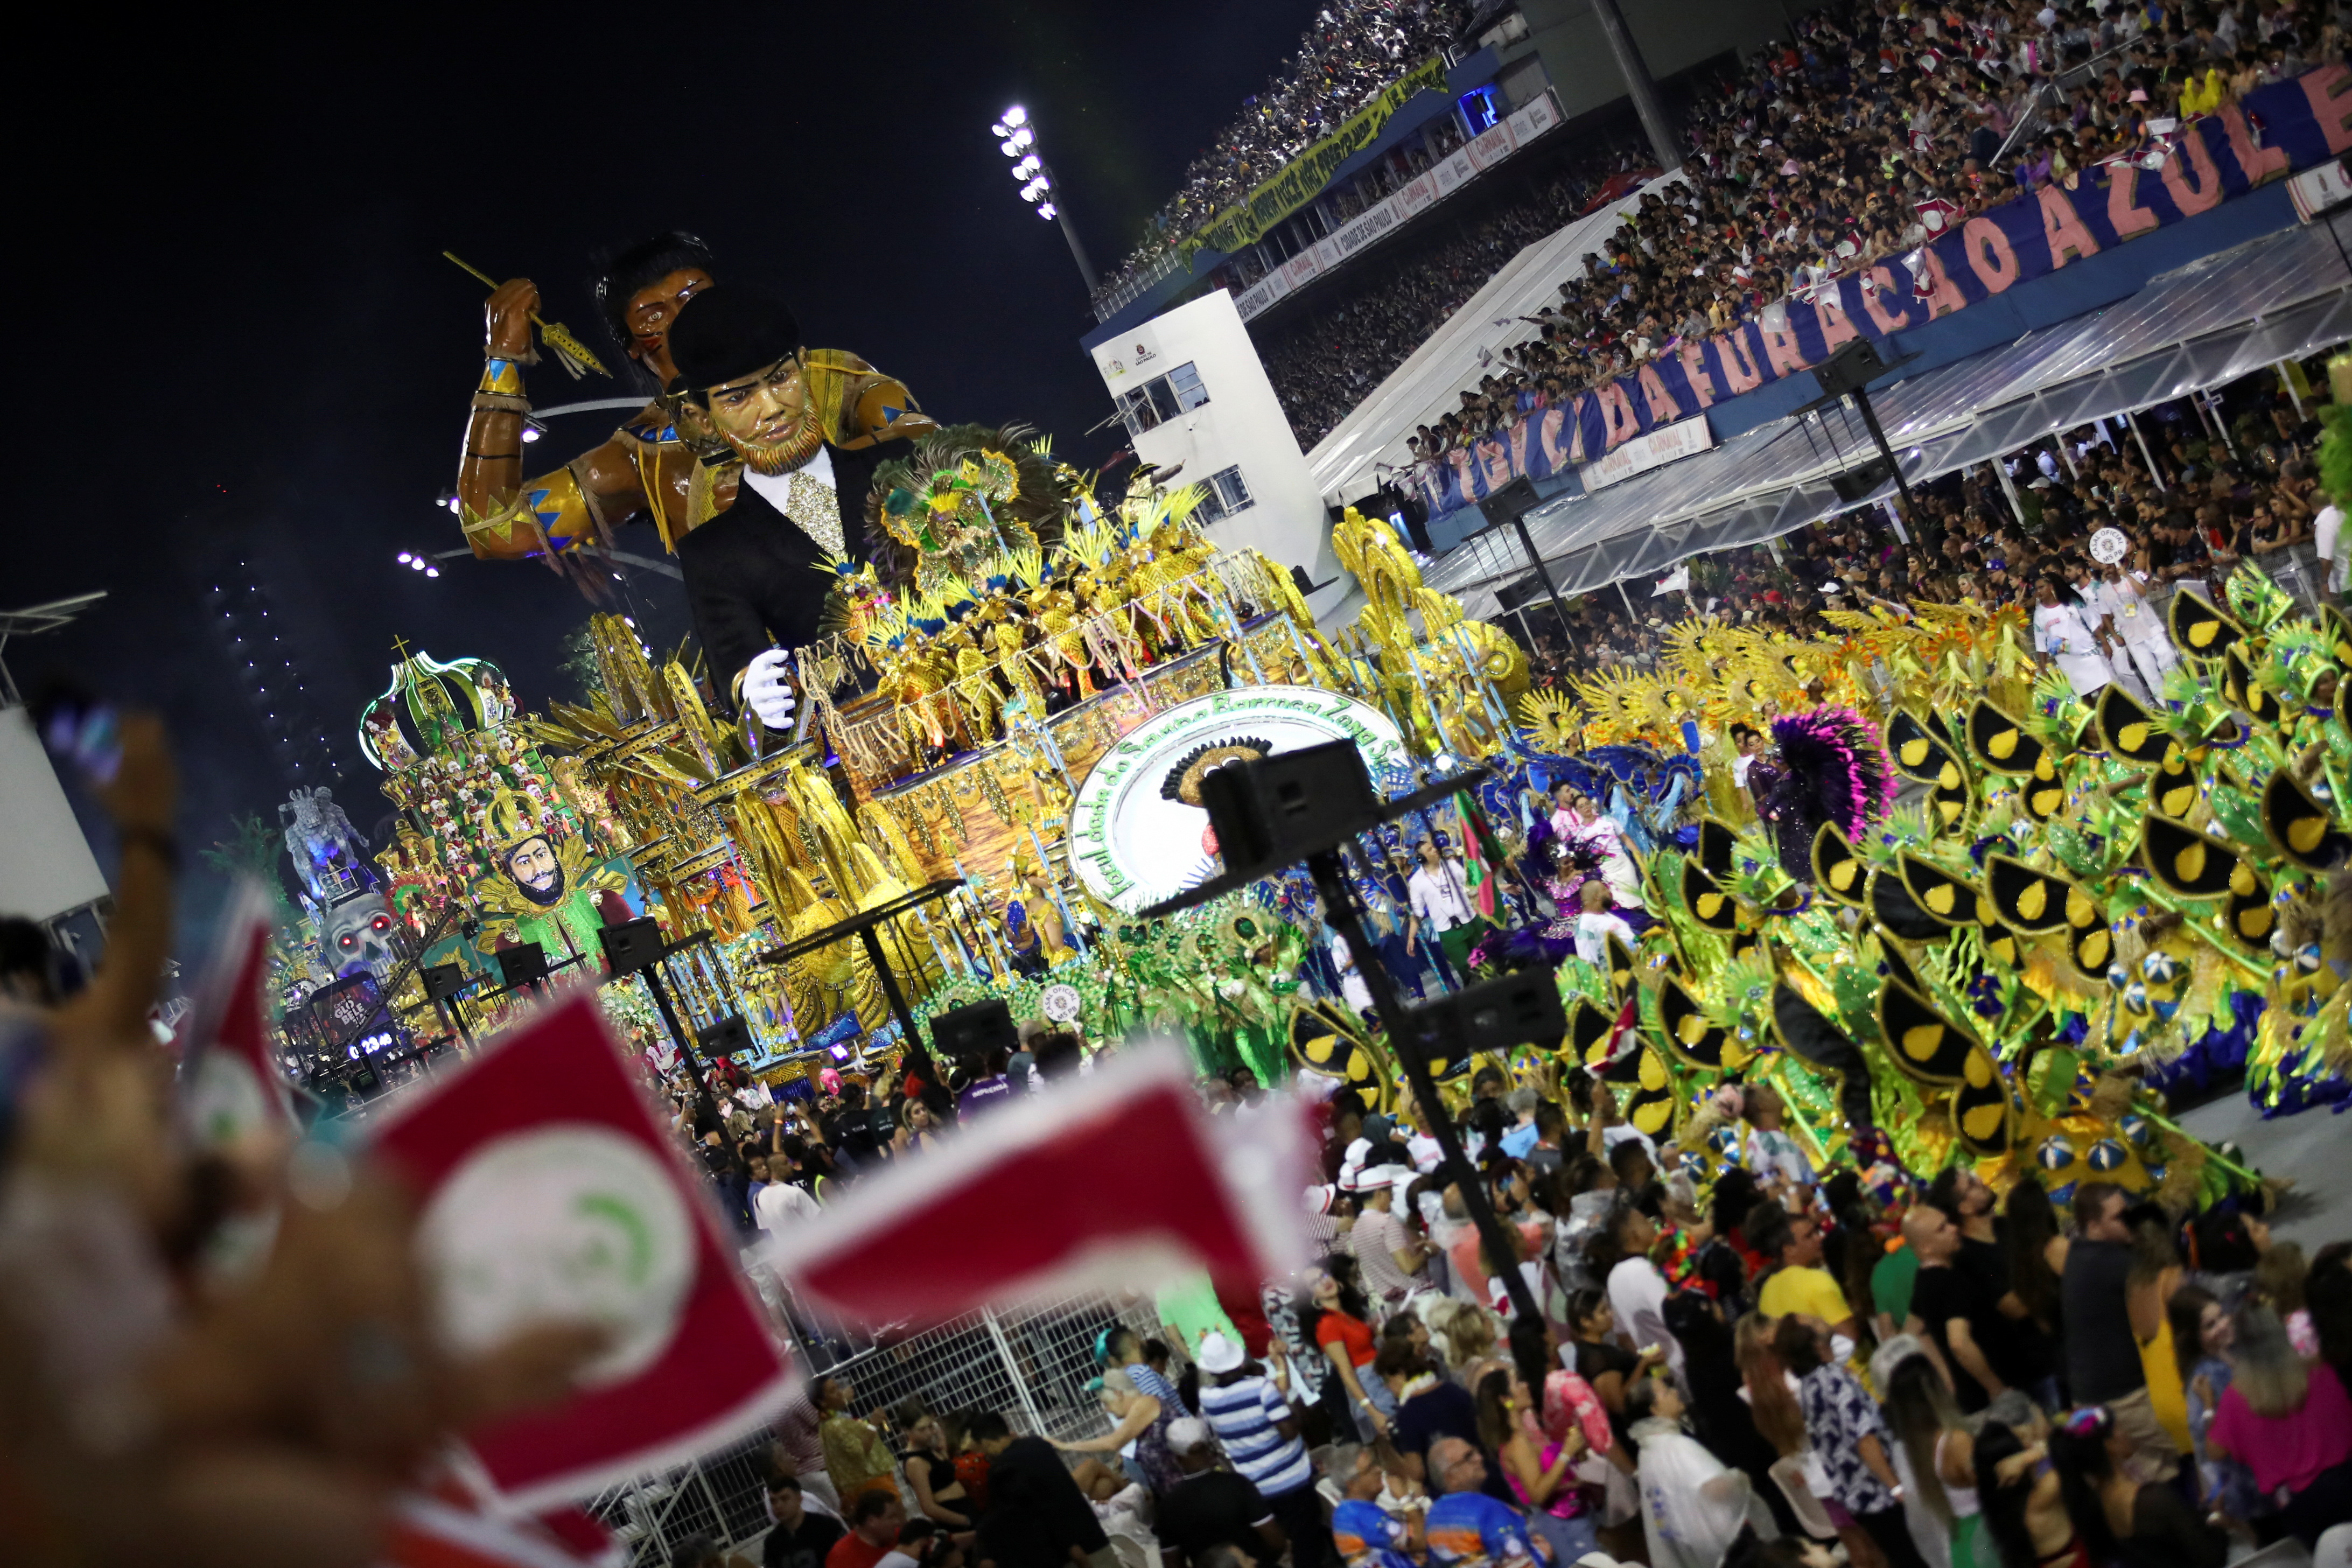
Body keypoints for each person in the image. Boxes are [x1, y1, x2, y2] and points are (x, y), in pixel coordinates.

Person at [661, 285, 934, 715]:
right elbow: (738, 675)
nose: (771, 408)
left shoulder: (902, 465)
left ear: (804, 366)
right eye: (738, 397)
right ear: (703, 418)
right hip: (870, 742)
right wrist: (752, 696)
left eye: (781, 379)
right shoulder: (712, 555)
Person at [1779, 1314, 1927, 1568]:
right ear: (1814, 1343)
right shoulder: (1834, 1380)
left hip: (1858, 1496)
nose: (1820, 1319)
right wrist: (1896, 1487)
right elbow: (1864, 1439)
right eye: (1812, 1321)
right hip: (1880, 1492)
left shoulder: (1809, 1386)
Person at [2206, 1302, 2352, 1545]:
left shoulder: (2237, 1397)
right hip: (2345, 1482)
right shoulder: (2321, 1369)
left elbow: (2215, 1450)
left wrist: (2209, 1408)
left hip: (2299, 1506)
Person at [2060, 1185, 2174, 1484]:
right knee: (2210, 1435)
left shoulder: (2080, 1252)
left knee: (2159, 1472)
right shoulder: (2115, 1264)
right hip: (2126, 1398)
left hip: (2096, 1395)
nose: (2131, 1222)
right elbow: (2165, 1312)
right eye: (2120, 1217)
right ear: (2094, 1225)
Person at [1194, 1332, 1332, 1568]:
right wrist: (1288, 1402)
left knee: (1284, 1546)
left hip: (1256, 1488)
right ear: (1239, 1361)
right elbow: (1289, 1431)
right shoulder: (1261, 1388)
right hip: (1292, 1481)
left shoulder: (1207, 1398)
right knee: (1307, 1543)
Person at [2046, 1404, 2224, 1568]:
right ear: (2109, 1446)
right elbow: (2210, 1558)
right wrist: (2219, 1518)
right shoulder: (2152, 1500)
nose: (2125, 1432)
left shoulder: (2095, 1503)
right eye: (2118, 1428)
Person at [1624, 1374, 1755, 1568]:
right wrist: (1741, 1479)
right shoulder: (1677, 1446)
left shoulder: (1648, 1451)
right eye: (1666, 1392)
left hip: (1692, 1547)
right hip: (1722, 1546)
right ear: (1655, 1409)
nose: (1675, 1392)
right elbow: (1718, 1489)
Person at [970, 1410, 1117, 1568]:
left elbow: (1038, 1512)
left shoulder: (1001, 1470)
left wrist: (1071, 1548)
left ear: (986, 1442)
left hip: (1063, 1553)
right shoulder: (1038, 1445)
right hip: (1092, 1533)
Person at [1880, 1348, 1981, 1568]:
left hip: (1960, 1544)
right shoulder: (1956, 1441)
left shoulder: (1910, 1451)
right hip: (1984, 1540)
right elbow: (1994, 1482)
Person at [1906, 1205, 2010, 1412]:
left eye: (1948, 1223)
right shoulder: (1950, 1282)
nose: (1953, 1228)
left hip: (1968, 1396)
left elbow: (1914, 1331)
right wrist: (1996, 1388)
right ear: (1926, 1247)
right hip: (1990, 1399)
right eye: (1942, 1229)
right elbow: (1959, 1342)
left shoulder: (1923, 1279)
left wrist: (1947, 1376)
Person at [1153, 1417, 1287, 1568]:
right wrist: (1262, 1563)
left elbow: (1172, 1564)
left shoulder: (1167, 1508)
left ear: (1176, 1459)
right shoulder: (1237, 1484)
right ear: (1210, 1447)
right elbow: (1275, 1540)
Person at [1053, 1367, 1183, 1499]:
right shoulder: (1140, 1415)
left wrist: (1066, 1446)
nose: (1106, 1410)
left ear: (1119, 1394)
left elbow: (1114, 1442)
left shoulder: (1146, 1403)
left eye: (1106, 1403)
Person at [1422, 1438, 1548, 1568]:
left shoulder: (1433, 1517)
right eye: (1468, 1457)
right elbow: (1523, 1564)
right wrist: (1542, 1549)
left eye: (1475, 1451)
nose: (1479, 1458)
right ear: (1451, 1477)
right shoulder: (1488, 1510)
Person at [1305, 1261, 1393, 1439]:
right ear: (1312, 1296)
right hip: (1368, 1386)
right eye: (1315, 1283)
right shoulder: (1327, 1324)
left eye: (1323, 1276)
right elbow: (1346, 1372)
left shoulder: (1345, 1314)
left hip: (1380, 1376)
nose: (1324, 1282)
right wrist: (1372, 1411)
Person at [1406, 836, 1484, 989]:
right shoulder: (1416, 882)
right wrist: (1411, 937)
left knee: (1489, 962)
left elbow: (1472, 887)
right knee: (1469, 974)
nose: (1435, 850)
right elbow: (1417, 913)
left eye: (1434, 847)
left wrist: (1498, 888)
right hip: (1449, 933)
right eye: (1430, 850)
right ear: (1421, 858)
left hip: (1472, 922)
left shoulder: (1453, 866)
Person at [1350, 1165, 1433, 1308]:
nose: (1393, 1198)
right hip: (1419, 1300)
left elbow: (1384, 1258)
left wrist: (1415, 1248)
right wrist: (1428, 1250)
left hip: (1393, 1306)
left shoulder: (1356, 1228)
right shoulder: (1386, 1222)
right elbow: (1408, 1268)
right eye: (1390, 1192)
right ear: (1378, 1193)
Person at [815, 1375, 900, 1507]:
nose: (840, 1392)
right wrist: (873, 1424)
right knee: (895, 1518)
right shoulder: (837, 1425)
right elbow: (860, 1450)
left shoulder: (828, 1423)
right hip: (872, 1483)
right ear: (822, 1402)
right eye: (833, 1391)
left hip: (862, 1486)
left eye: (838, 1388)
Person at [899, 1409, 972, 1534]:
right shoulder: (915, 1462)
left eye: (930, 1426)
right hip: (954, 1517)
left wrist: (940, 1441)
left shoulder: (932, 1450)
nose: (928, 1433)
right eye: (922, 1430)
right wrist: (964, 1520)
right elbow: (928, 1507)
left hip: (966, 1507)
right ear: (907, 1431)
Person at [766, 1473, 849, 1568]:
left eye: (785, 1499)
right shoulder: (773, 1543)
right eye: (773, 1501)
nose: (778, 1506)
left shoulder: (827, 1527)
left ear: (800, 1499)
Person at [826, 1491, 905, 1568]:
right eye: (891, 1517)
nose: (897, 1522)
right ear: (871, 1521)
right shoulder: (841, 1557)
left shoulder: (900, 1538)